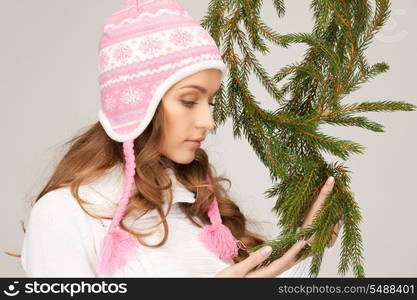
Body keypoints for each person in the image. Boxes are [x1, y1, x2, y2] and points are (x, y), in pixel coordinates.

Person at [20, 0, 342, 278]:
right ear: (135, 104)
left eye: (211, 101)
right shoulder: (67, 215)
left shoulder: (197, 206)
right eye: (189, 101)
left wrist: (304, 245)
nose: (208, 121)